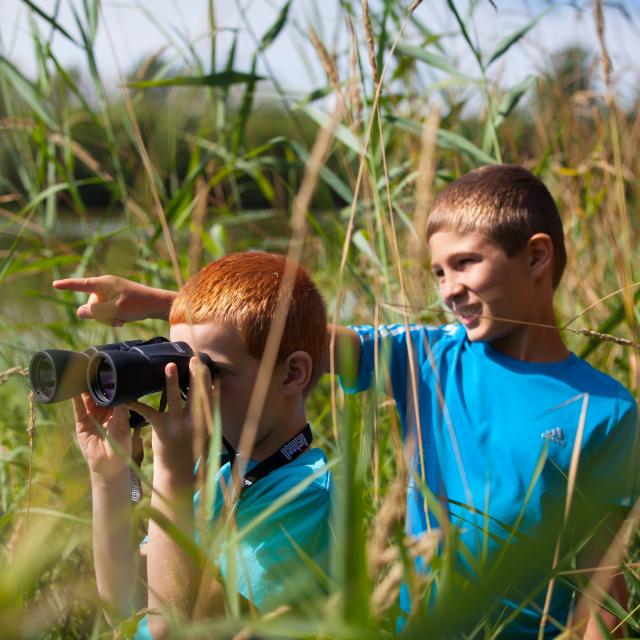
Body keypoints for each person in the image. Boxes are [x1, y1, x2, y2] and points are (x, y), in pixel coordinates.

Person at [56, 165, 638, 638]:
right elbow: (291, 336)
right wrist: (164, 303)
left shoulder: (606, 409)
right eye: (437, 271)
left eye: (465, 263)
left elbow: (602, 581)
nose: (447, 289)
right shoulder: (429, 358)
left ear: (536, 257)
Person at [67, 252, 332, 639]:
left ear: (292, 373)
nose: (194, 392)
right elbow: (124, 604)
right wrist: (108, 475)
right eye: (183, 369)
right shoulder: (215, 469)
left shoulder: (305, 495)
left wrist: (171, 471)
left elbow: (172, 630)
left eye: (213, 372)